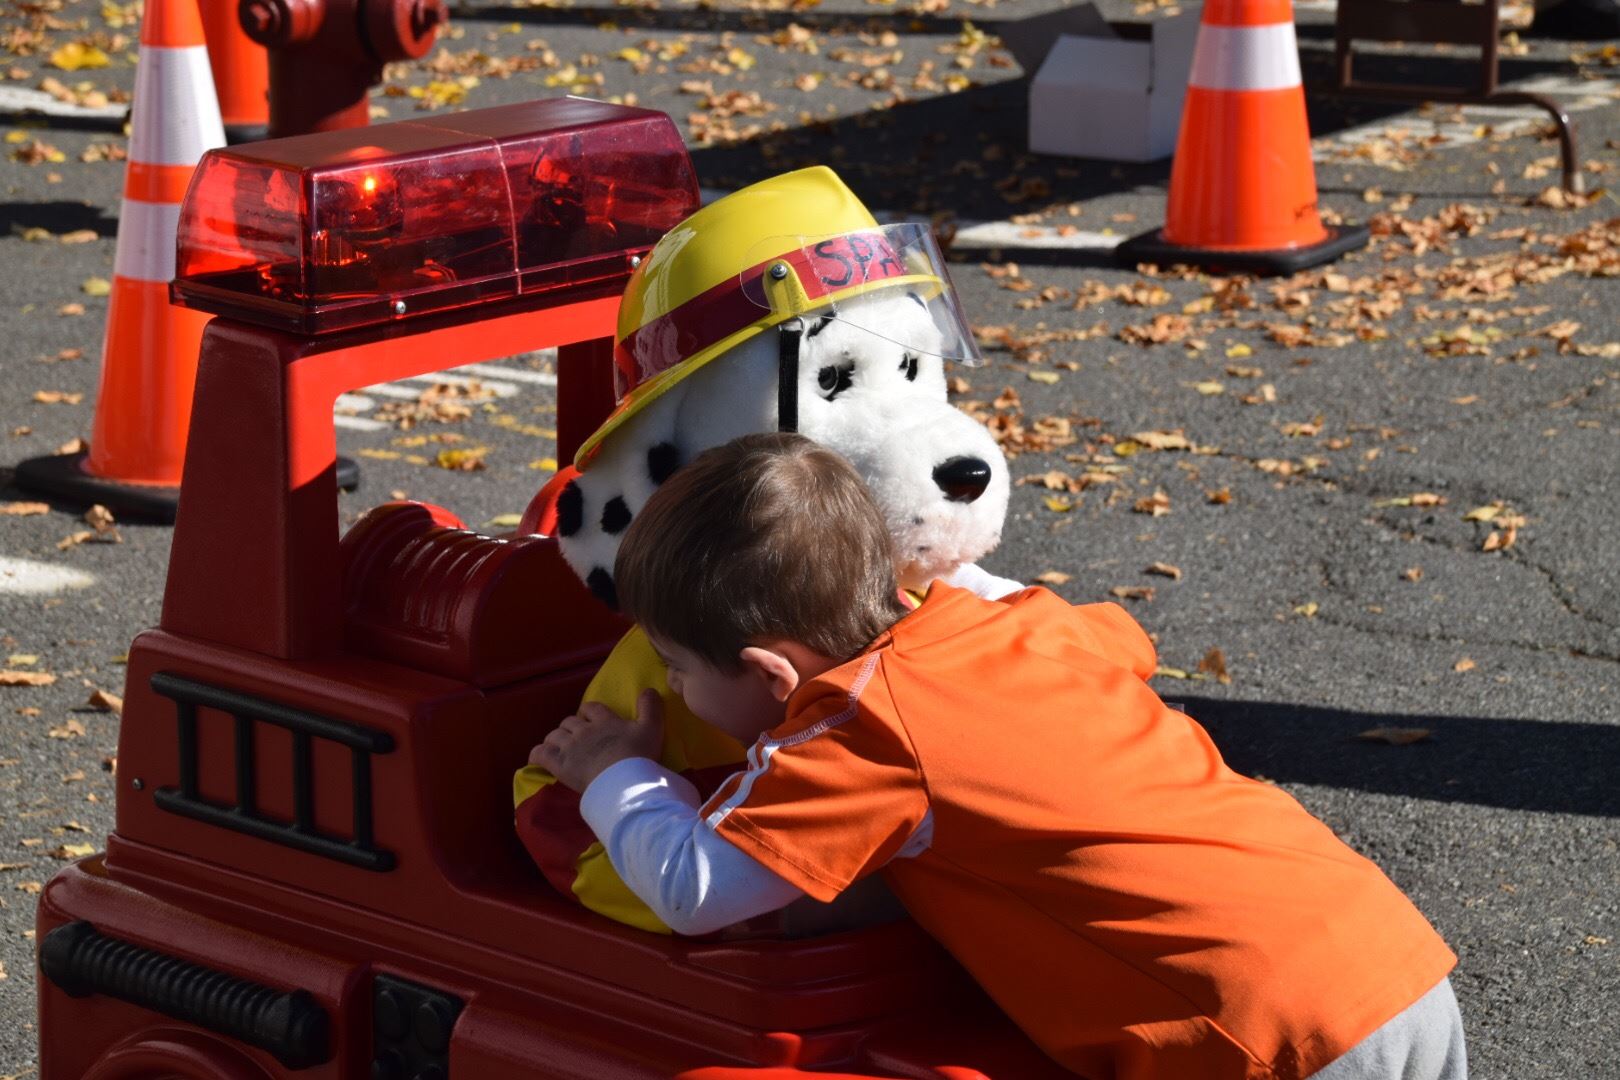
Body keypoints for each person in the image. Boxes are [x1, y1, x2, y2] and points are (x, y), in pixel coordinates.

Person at [529, 432, 1468, 1080]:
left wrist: (617, 773)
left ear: (774, 675)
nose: (678, 692)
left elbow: (697, 889)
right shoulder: (1020, 625)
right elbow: (1125, 646)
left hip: (1265, 1035)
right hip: (1383, 953)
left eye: (682, 670)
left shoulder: (858, 729)